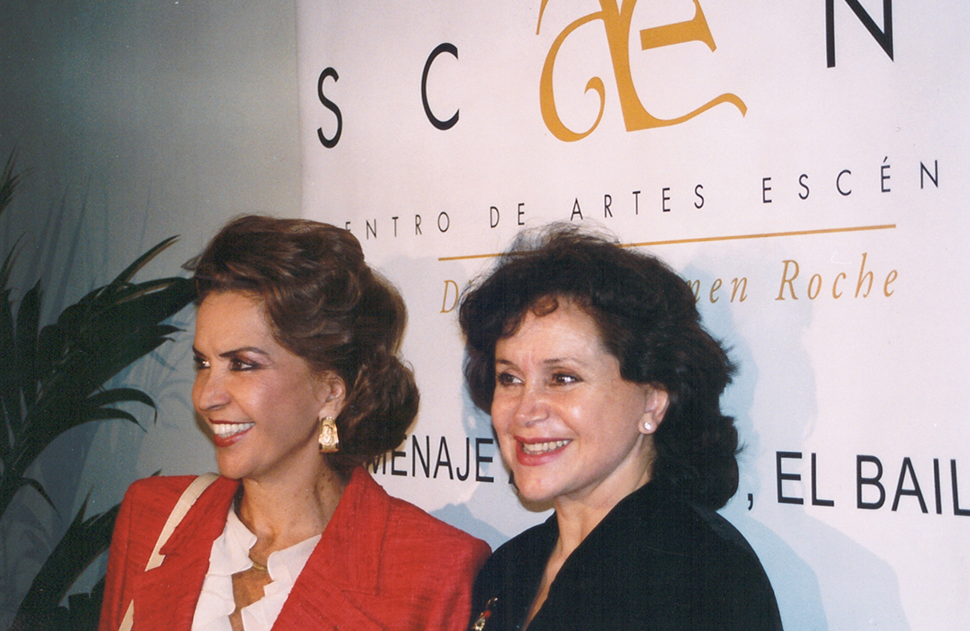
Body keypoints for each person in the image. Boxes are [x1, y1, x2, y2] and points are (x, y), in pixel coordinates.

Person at [99, 215, 490, 631]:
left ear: (330, 392)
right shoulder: (153, 517)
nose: (206, 396)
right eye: (203, 363)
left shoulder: (436, 572)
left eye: (243, 365)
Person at [459, 224, 782, 631]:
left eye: (562, 378)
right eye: (509, 378)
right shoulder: (508, 567)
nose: (525, 411)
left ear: (653, 399)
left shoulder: (704, 579)